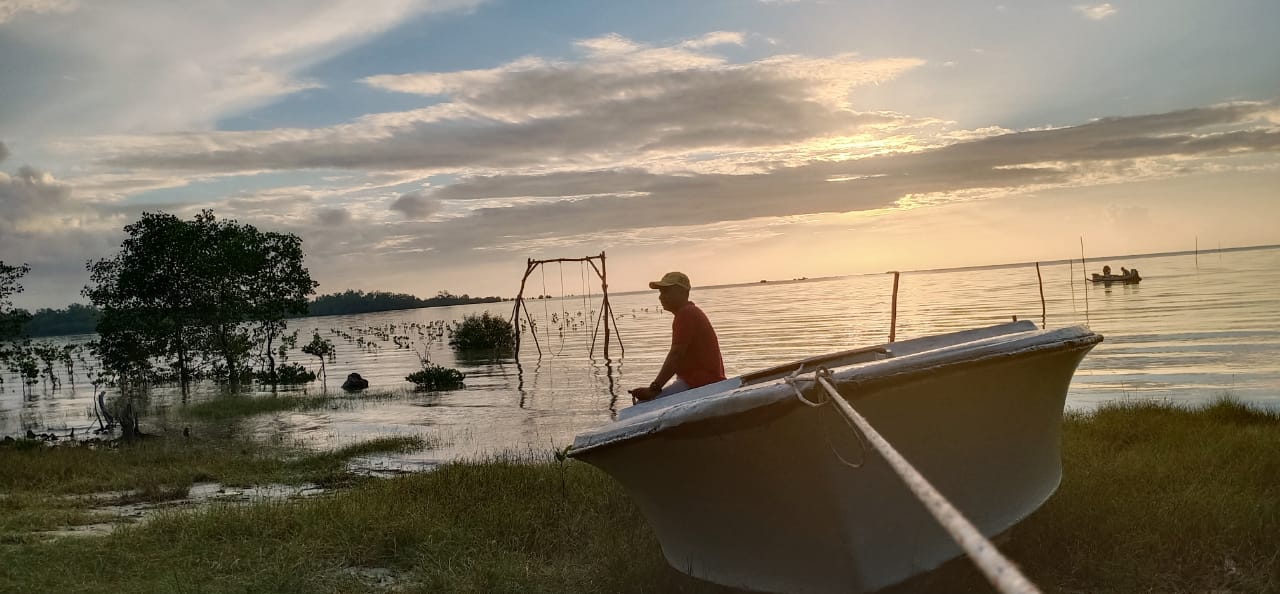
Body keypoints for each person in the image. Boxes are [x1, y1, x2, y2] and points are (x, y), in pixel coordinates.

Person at [629, 271, 725, 402]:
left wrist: (654, 388)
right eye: (661, 292)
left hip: (700, 383)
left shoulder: (686, 314)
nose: (661, 297)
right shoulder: (690, 312)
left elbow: (676, 355)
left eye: (666, 291)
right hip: (702, 381)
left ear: (683, 292)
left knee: (644, 404)